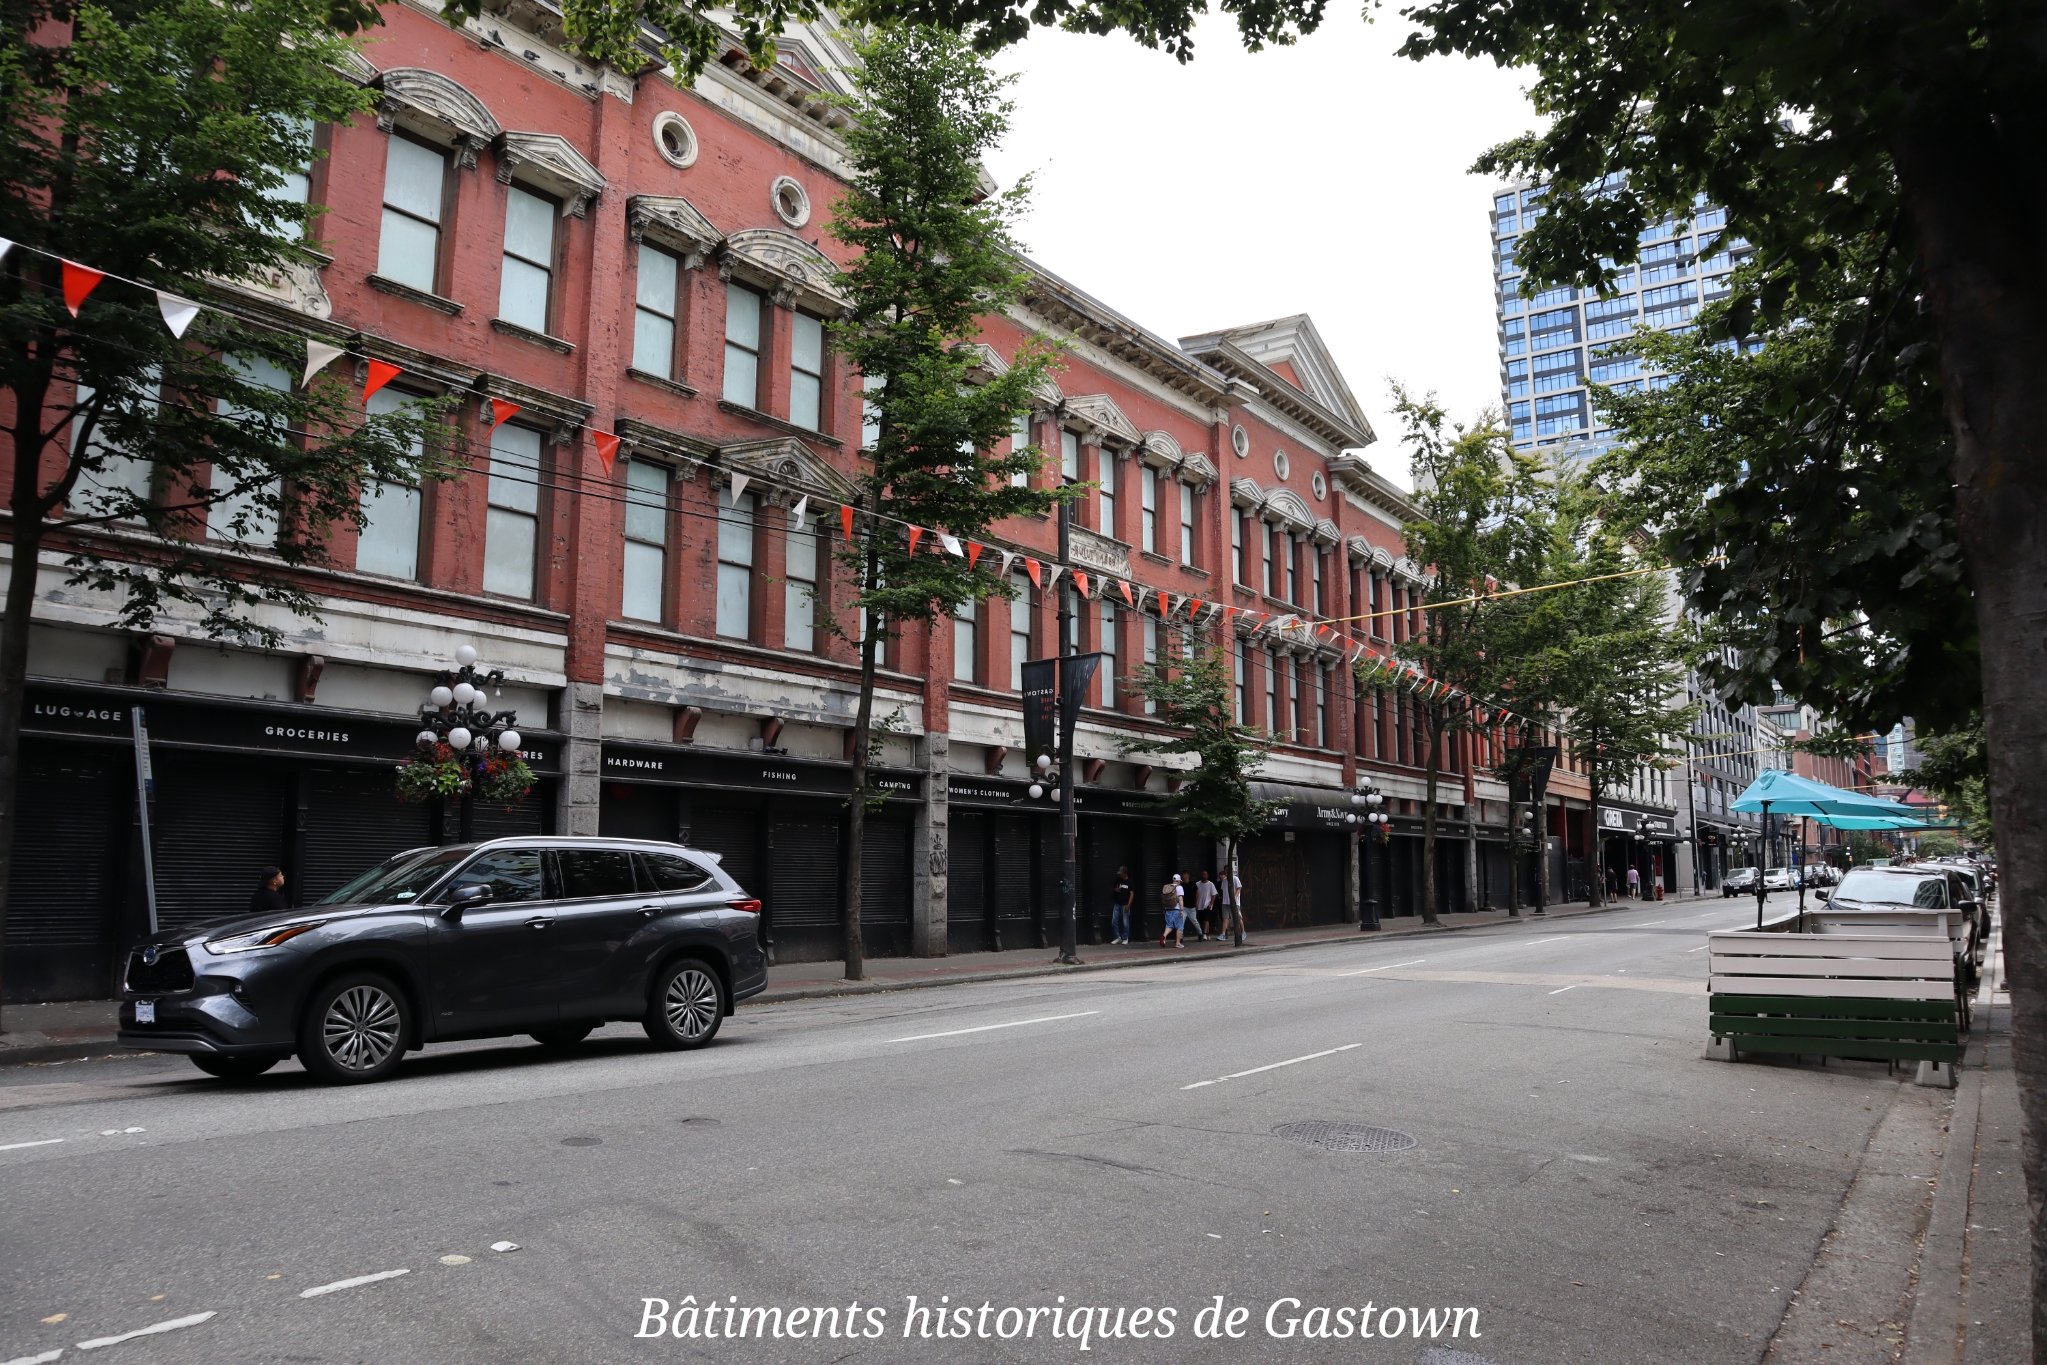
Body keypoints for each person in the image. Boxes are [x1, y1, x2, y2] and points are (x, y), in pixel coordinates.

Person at [1216, 864, 1246, 942]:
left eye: (1227, 870)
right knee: (1225, 918)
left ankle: (1243, 932)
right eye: (1225, 870)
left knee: (1238, 917)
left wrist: (1234, 897)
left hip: (1234, 902)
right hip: (1225, 902)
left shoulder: (1235, 879)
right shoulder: (1224, 880)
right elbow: (1223, 891)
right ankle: (1223, 934)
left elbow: (1239, 888)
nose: (1226, 871)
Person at [1159, 873, 1186, 948]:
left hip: (1168, 909)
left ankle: (1164, 935)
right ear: (1179, 881)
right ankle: (1178, 943)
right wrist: (1182, 909)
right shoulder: (1179, 887)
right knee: (1179, 926)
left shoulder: (1167, 887)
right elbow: (1180, 899)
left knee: (1169, 925)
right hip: (1176, 909)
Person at [1109, 866, 1134, 945]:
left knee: (1125, 922)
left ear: (1125, 873)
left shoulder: (1130, 881)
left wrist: (1128, 905)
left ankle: (1125, 937)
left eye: (1122, 874)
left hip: (1125, 904)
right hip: (1117, 903)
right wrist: (1116, 889)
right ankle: (1117, 937)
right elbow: (1113, 888)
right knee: (1114, 921)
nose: (1121, 876)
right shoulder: (1118, 880)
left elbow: (1132, 894)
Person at [1194, 870, 1217, 941]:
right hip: (1199, 905)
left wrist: (1211, 903)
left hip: (1207, 904)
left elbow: (1214, 895)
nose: (1203, 876)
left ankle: (1204, 933)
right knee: (1201, 920)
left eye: (1205, 874)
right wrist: (1196, 903)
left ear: (1207, 876)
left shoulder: (1211, 884)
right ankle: (1207, 933)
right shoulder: (1197, 884)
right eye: (1202, 874)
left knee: (1206, 919)